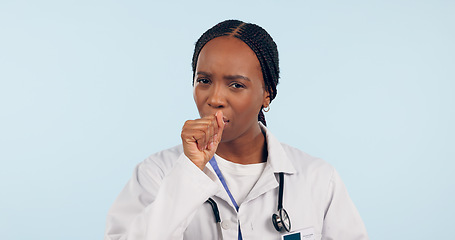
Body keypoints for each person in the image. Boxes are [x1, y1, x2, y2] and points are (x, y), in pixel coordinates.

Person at [104, 19, 368, 240]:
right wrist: (187, 173)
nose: (215, 98)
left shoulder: (318, 179)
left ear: (267, 94)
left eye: (236, 85)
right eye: (204, 80)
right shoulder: (156, 173)